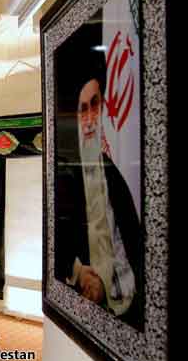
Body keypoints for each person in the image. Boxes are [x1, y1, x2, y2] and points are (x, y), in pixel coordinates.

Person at [55, 31, 144, 329]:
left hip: (126, 301)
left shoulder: (110, 170)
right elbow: (58, 240)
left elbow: (131, 241)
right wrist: (78, 272)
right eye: (83, 109)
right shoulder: (63, 174)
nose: (91, 118)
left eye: (95, 105)